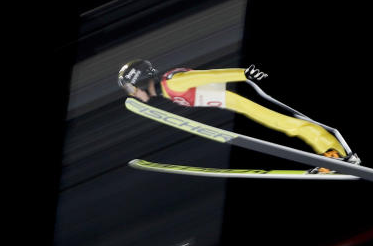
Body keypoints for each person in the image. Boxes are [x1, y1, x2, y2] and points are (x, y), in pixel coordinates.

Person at [117, 59, 359, 168]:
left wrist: (244, 73)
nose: (132, 94)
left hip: (245, 94)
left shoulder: (173, 83)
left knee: (293, 124)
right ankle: (334, 157)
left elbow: (209, 77)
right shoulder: (165, 90)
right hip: (237, 102)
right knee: (290, 126)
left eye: (130, 88)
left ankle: (339, 155)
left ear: (141, 80)